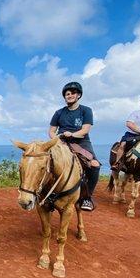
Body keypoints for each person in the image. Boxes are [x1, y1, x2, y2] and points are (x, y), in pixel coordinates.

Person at [49, 81, 100, 211]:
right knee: (45, 160)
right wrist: (57, 139)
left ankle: (87, 197)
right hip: (61, 142)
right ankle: (46, 194)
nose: (70, 95)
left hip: (80, 142)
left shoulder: (86, 110)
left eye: (73, 93)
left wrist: (71, 134)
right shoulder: (58, 113)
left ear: (78, 95)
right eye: (67, 94)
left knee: (94, 165)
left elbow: (85, 130)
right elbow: (51, 131)